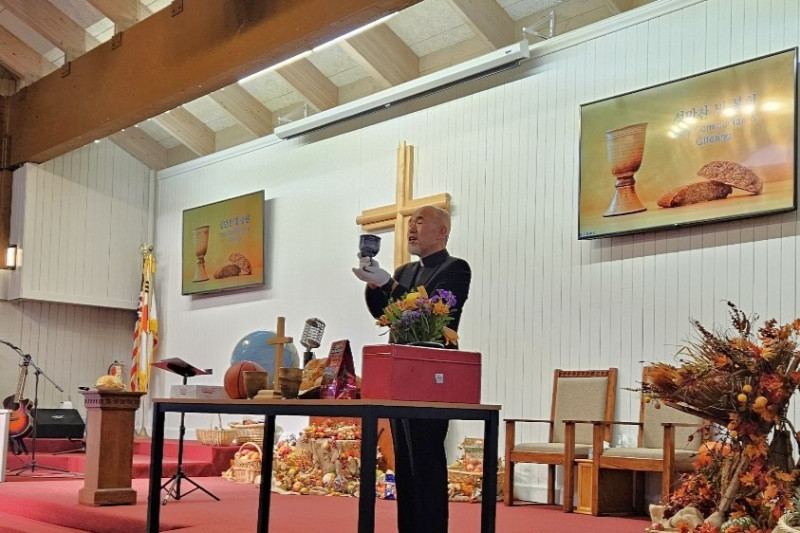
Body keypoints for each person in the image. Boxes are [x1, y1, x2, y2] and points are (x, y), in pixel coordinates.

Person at [352, 205, 471, 533]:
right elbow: (384, 312)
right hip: (399, 373)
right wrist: (375, 285)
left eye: (420, 221)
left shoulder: (455, 268)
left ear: (442, 232)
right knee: (404, 461)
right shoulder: (404, 271)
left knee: (427, 458)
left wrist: (388, 284)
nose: (412, 227)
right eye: (411, 222)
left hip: (433, 374)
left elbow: (432, 313)